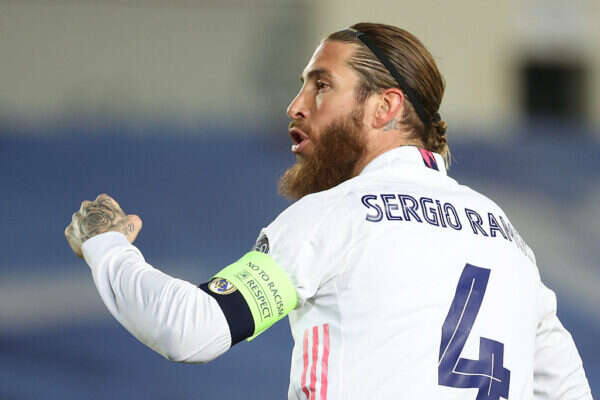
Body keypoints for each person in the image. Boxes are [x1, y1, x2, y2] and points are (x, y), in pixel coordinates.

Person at [65, 23, 593, 399]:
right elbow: (569, 389)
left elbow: (191, 328)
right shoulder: (509, 241)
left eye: (321, 85)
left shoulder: (339, 215)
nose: (296, 105)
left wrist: (106, 244)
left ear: (385, 107)